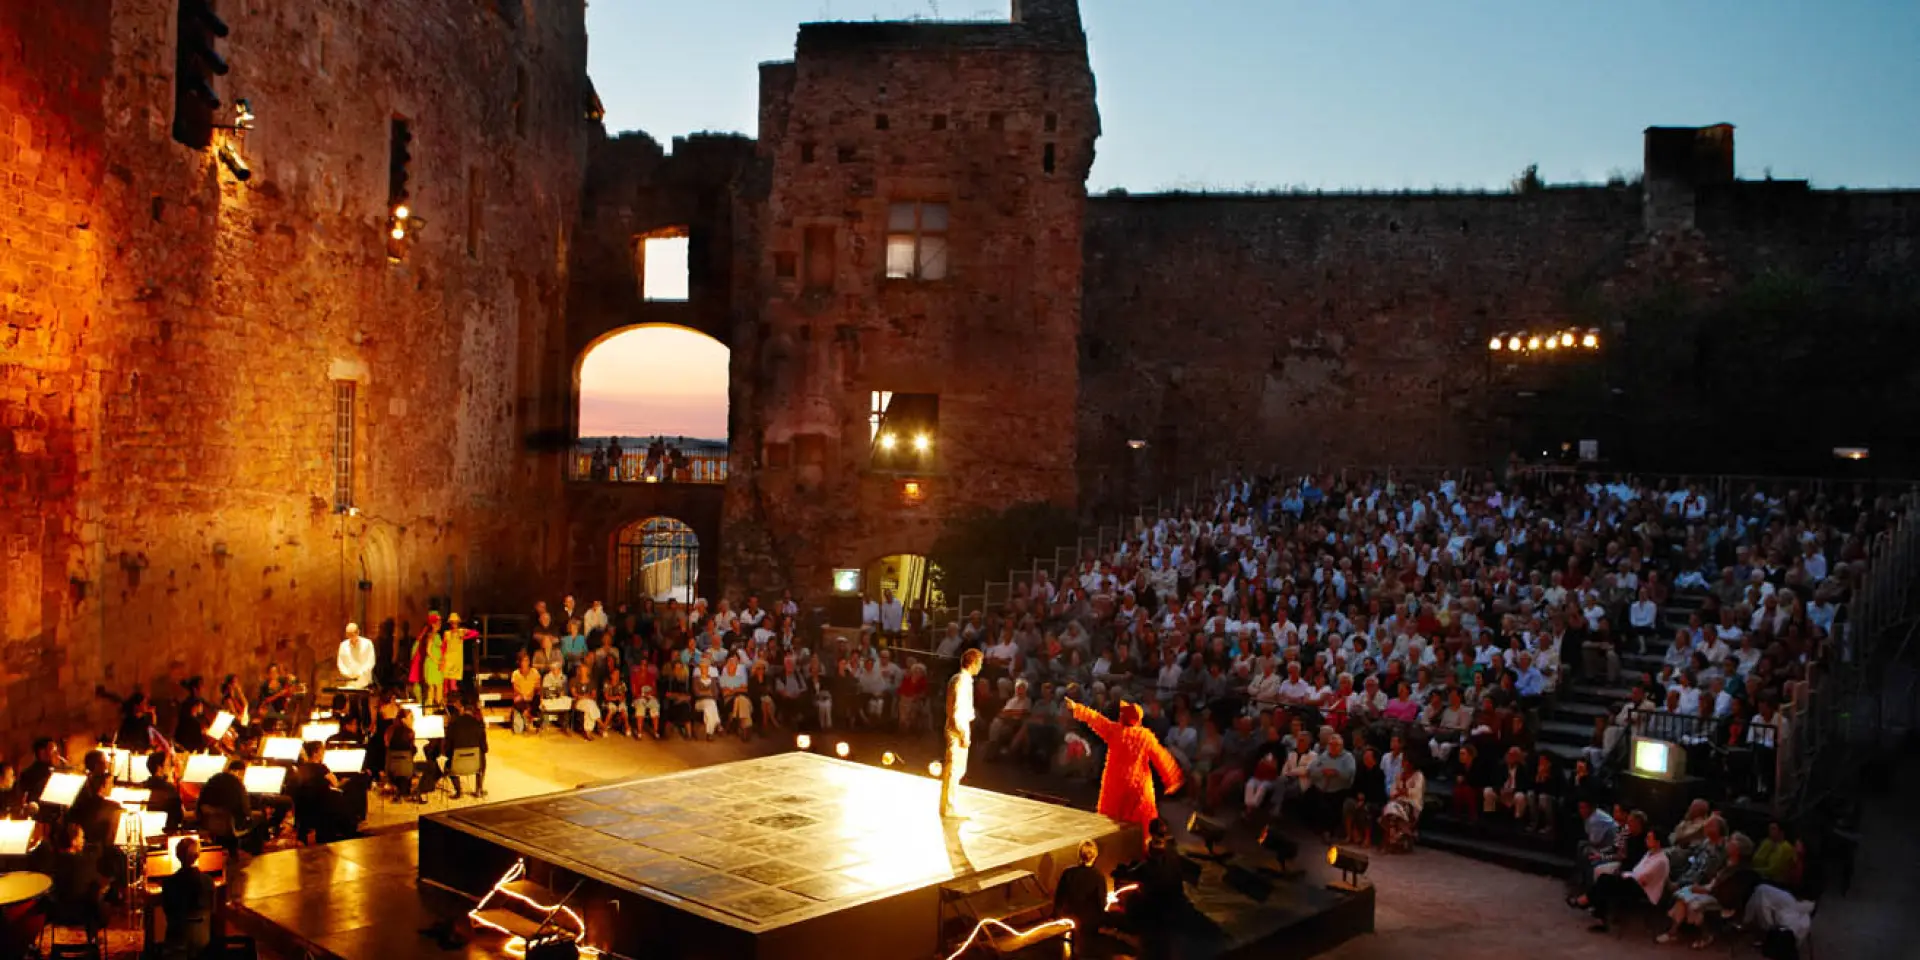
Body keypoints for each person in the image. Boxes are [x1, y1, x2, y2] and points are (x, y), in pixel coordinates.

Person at [1063, 696, 1185, 848]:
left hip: (1116, 787)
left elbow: (1095, 719)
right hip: (1138, 788)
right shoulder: (1145, 737)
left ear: (1123, 717)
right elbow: (1162, 758)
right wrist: (1172, 779)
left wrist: (1076, 708)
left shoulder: (1115, 731)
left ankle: (1110, 849)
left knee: (1109, 823)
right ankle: (1140, 852)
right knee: (1141, 826)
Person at [942, 649, 984, 819]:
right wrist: (962, 732)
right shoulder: (962, 681)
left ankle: (949, 804)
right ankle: (949, 807)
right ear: (973, 663)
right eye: (979, 663)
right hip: (957, 728)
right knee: (954, 768)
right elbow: (957, 708)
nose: (980, 667)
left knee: (957, 768)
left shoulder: (961, 680)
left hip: (958, 726)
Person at [159, 836, 216, 959]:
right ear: (198, 855)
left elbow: (167, 911)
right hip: (203, 938)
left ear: (177, 855)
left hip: (177, 938)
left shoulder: (168, 883)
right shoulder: (208, 881)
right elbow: (212, 909)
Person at [1053, 839, 1110, 944]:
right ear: (1095, 855)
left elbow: (1059, 897)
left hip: (1070, 916)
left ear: (1079, 854)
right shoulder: (1098, 876)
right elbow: (1101, 902)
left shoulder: (1068, 873)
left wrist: (1058, 915)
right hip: (1089, 920)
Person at [445, 699, 490, 799]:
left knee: (447, 764)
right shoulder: (479, 725)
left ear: (463, 711)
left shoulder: (453, 725)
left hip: (457, 765)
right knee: (482, 757)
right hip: (475, 765)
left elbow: (447, 749)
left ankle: (458, 791)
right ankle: (479, 789)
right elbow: (485, 748)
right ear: (473, 713)